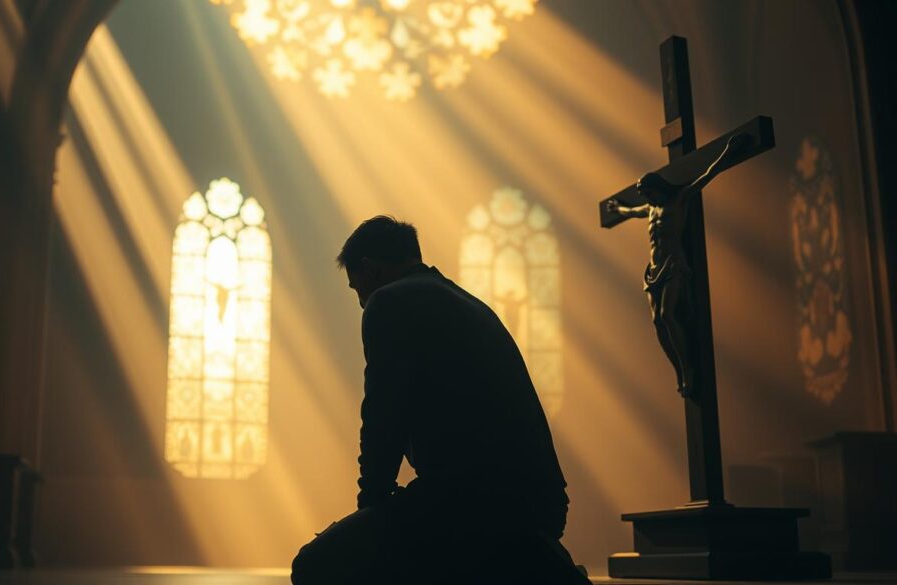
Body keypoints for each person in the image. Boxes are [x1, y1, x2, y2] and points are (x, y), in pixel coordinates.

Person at [291, 216, 589, 585]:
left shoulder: (388, 302)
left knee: (316, 566)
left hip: (472, 501)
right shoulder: (467, 302)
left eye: (357, 289)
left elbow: (384, 417)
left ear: (370, 269)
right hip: (537, 501)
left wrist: (372, 507)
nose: (360, 302)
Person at [605, 133, 747, 397]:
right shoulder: (650, 208)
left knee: (668, 316)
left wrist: (727, 153)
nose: (648, 198)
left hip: (673, 264)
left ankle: (687, 369)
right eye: (644, 195)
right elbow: (630, 211)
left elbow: (706, 175)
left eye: (648, 193)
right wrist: (617, 209)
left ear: (657, 188)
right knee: (658, 322)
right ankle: (678, 371)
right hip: (653, 269)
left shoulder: (678, 199)